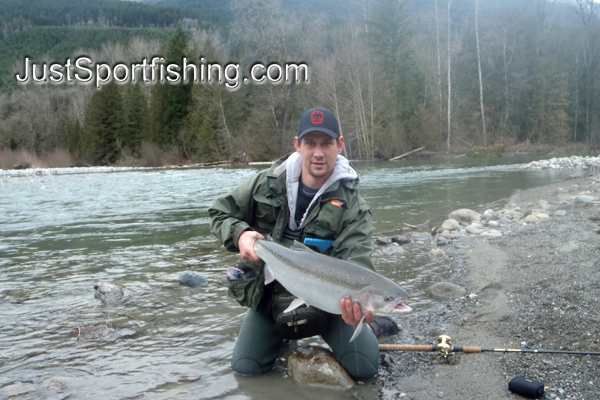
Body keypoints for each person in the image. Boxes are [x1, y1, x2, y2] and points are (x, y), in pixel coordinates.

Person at [209, 107, 380, 380]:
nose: (319, 153)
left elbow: (356, 263)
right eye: (310, 143)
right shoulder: (265, 183)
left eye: (326, 143)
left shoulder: (354, 207)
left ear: (340, 145)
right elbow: (219, 213)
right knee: (246, 369)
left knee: (366, 367)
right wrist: (241, 234)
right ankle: (283, 336)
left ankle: (364, 330)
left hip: (328, 303)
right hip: (270, 297)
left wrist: (357, 309)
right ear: (297, 145)